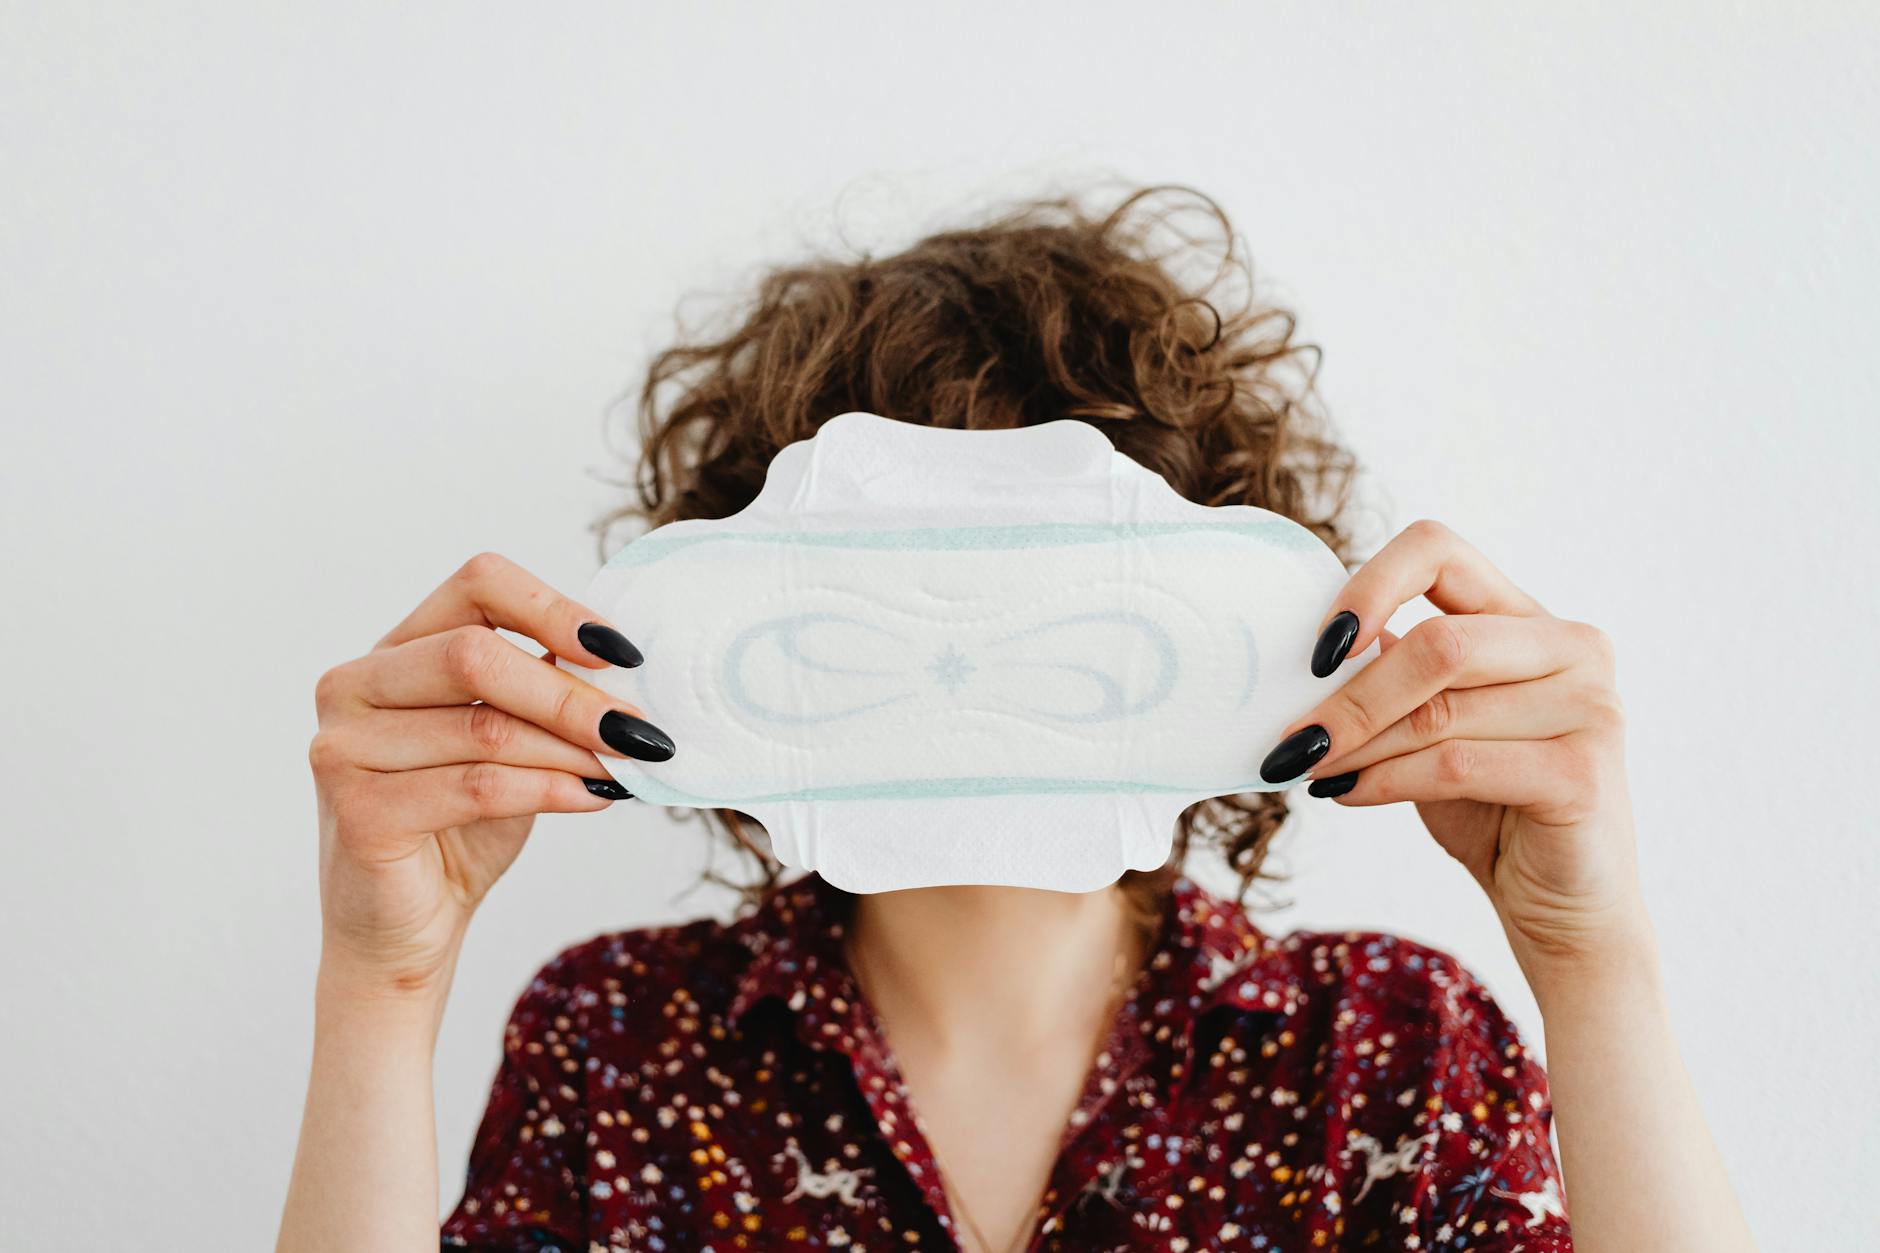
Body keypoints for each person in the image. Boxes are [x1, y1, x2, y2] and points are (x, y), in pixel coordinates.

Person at [276, 186, 1755, 1252]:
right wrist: (380, 985)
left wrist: (1593, 962)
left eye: (1057, 589)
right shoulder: (619, 1048)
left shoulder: (1389, 1048)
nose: (962, 656)